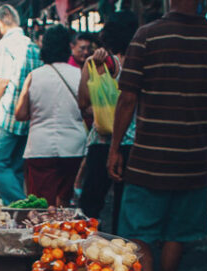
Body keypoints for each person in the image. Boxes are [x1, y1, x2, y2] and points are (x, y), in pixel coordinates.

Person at [108, 0, 207, 271]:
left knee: (138, 230)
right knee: (176, 232)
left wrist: (115, 147)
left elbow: (128, 98)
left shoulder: (146, 36)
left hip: (150, 156)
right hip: (191, 157)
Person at [77, 11, 139, 233]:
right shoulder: (139, 63)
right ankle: (121, 257)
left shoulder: (99, 63)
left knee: (90, 205)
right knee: (125, 206)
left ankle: (88, 254)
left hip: (102, 141)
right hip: (132, 141)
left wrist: (89, 67)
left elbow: (83, 103)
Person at [14, 24, 87, 206]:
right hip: (74, 147)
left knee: (40, 206)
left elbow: (20, 114)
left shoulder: (34, 76)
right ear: (68, 47)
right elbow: (87, 108)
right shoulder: (80, 75)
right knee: (63, 204)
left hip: (40, 147)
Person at [0, 4, 42, 202]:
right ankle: (17, 218)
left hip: (7, 117)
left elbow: (1, 82)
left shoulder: (5, 44)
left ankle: (21, 206)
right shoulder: (31, 45)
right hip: (26, 118)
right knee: (14, 169)